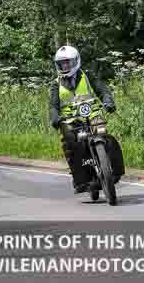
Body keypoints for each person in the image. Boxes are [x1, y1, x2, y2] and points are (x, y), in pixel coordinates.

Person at [48, 45, 115, 193]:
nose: (65, 66)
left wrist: (108, 101)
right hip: (70, 120)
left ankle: (112, 169)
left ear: (76, 61)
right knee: (69, 142)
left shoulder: (88, 76)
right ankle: (80, 180)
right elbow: (53, 106)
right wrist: (54, 118)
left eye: (68, 62)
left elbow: (102, 89)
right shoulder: (55, 84)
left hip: (92, 114)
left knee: (106, 136)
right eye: (62, 64)